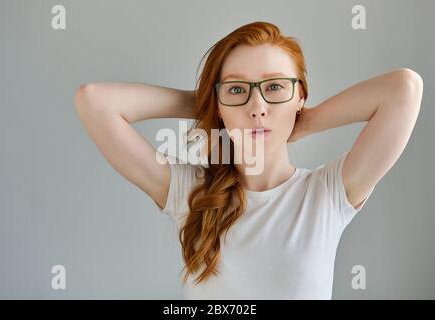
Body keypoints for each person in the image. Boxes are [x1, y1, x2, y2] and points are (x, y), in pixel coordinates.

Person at [74, 21, 423, 299]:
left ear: (300, 95)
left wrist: (298, 123)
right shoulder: (188, 191)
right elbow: (94, 101)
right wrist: (213, 106)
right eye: (237, 89)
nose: (258, 108)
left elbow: (404, 89)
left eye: (274, 88)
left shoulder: (327, 194)